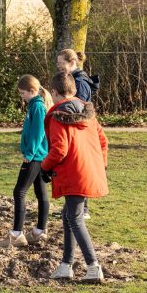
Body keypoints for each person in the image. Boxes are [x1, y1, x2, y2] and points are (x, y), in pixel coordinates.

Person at [42, 72, 108, 283]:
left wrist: (44, 167)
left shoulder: (58, 116)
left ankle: (93, 266)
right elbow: (103, 141)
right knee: (68, 215)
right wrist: (99, 165)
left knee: (75, 218)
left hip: (74, 173)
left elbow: (59, 149)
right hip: (88, 170)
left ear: (53, 92)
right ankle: (66, 265)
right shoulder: (87, 112)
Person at [0, 75, 53, 248]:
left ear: (32, 90)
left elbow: (38, 133)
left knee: (19, 191)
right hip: (38, 155)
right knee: (40, 191)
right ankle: (39, 231)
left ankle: (16, 234)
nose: (21, 96)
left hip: (36, 156)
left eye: (23, 93)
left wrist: (29, 153)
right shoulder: (34, 105)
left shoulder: (37, 107)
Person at [56, 48, 99, 220]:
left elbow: (78, 108)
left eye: (61, 63)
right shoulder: (73, 79)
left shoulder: (80, 83)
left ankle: (83, 209)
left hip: (80, 130)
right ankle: (71, 208)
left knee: (80, 167)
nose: (59, 67)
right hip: (75, 129)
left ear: (72, 62)